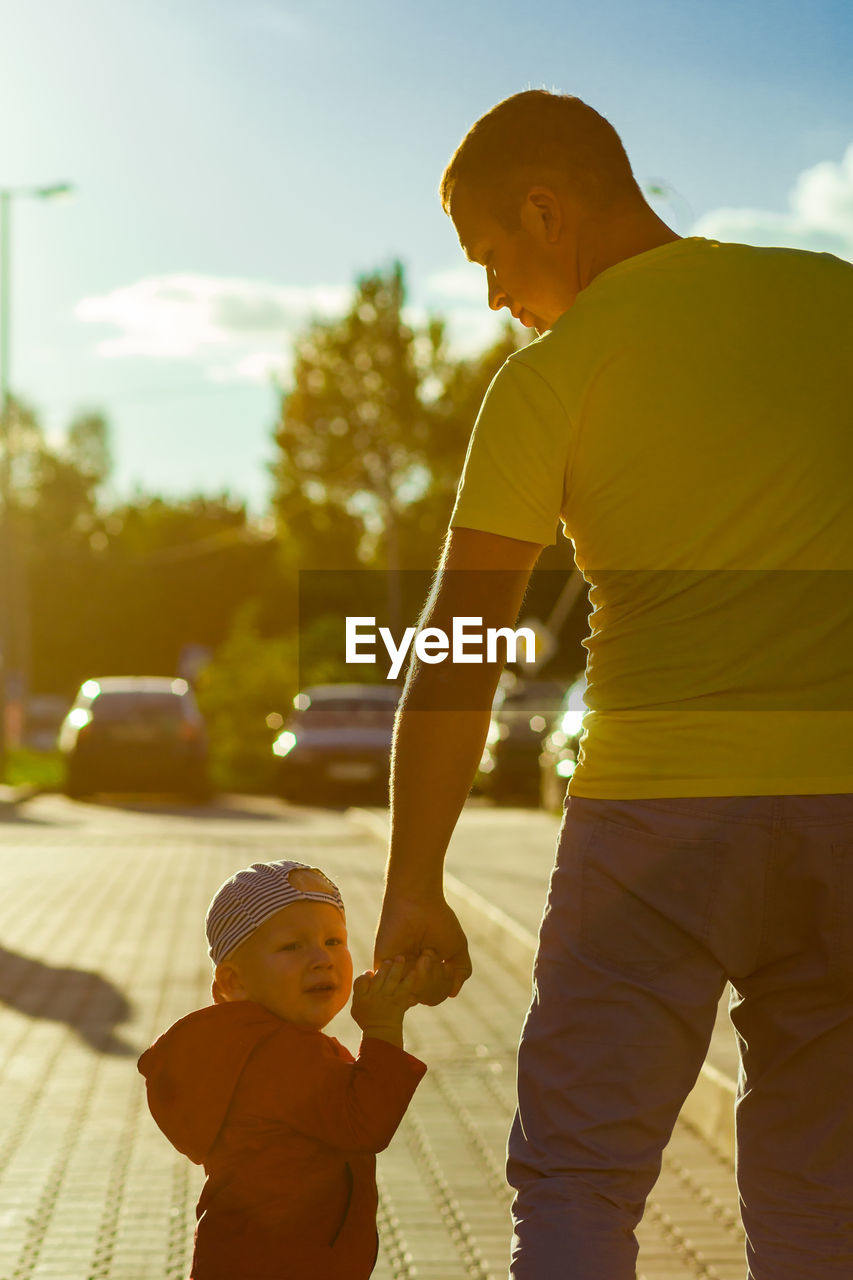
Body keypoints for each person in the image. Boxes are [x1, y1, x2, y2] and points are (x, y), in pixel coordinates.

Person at [373, 89, 853, 1279]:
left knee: (580, 1177)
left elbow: (458, 645)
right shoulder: (835, 302)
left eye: (489, 256)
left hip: (654, 819)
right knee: (824, 1182)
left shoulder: (554, 375)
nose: (491, 295)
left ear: (546, 209)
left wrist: (415, 881)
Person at [139, 859, 430, 1280]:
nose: (321, 959)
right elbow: (366, 1121)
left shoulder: (250, 1044)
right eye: (292, 946)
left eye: (334, 940)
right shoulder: (276, 1052)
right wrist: (383, 1027)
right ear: (233, 982)